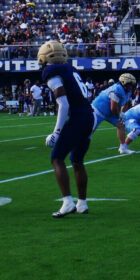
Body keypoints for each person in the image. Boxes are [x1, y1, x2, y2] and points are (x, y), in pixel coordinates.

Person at [38, 41, 96, 218]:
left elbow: (63, 103)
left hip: (78, 116)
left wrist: (56, 132)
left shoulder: (52, 73)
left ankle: (67, 202)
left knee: (56, 158)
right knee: (77, 160)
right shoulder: (70, 69)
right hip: (89, 115)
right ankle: (82, 203)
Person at [92, 72, 137, 154]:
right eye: (129, 84)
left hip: (109, 112)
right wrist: (119, 115)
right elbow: (113, 108)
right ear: (124, 83)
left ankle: (123, 147)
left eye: (132, 84)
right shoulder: (117, 89)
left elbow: (125, 103)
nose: (131, 86)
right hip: (98, 109)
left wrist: (122, 112)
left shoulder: (127, 91)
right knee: (89, 131)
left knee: (121, 125)